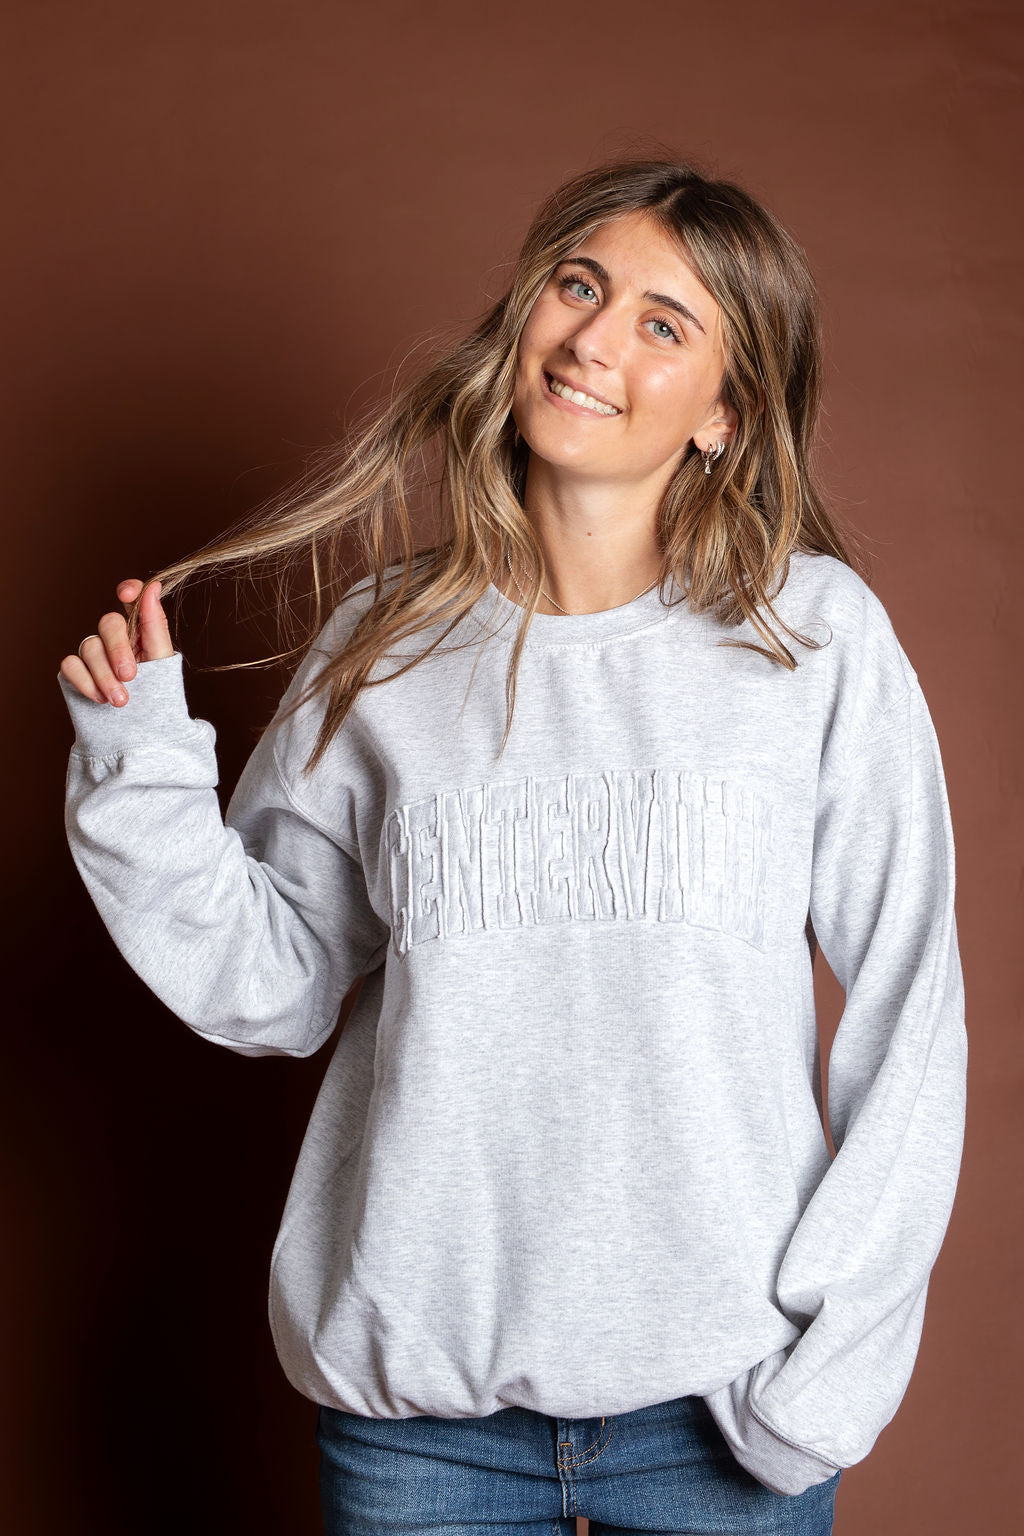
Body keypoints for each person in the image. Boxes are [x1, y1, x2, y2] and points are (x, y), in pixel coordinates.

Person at [56, 156, 967, 1536]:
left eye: (663, 323)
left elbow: (912, 1015)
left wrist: (825, 1382)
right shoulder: (387, 647)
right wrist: (140, 767)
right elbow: (274, 986)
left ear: (726, 412)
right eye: (579, 286)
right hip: (423, 1434)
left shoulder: (812, 639)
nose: (595, 340)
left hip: (722, 1416)